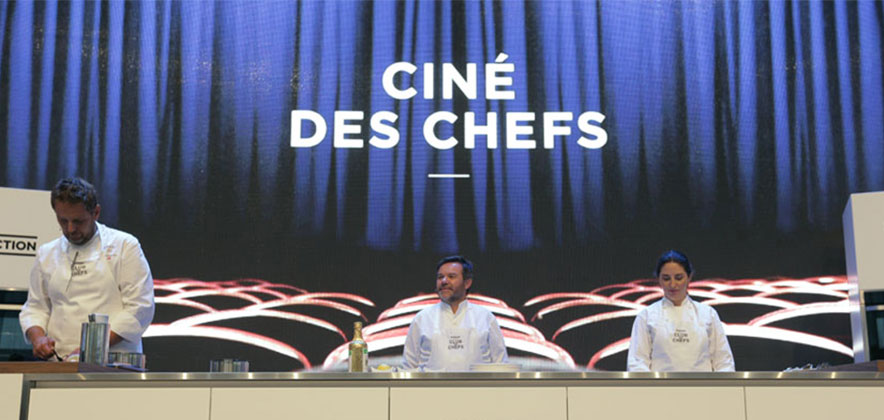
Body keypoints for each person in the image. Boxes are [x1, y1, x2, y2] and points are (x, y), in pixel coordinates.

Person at [19, 177, 155, 360]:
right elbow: (35, 308)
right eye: (63, 220)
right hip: (58, 362)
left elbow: (140, 308)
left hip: (112, 362)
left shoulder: (124, 246)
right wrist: (38, 339)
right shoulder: (47, 253)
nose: (70, 229)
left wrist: (92, 348)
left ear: (96, 212)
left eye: (78, 221)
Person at [626, 250, 735, 372]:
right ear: (659, 280)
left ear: (689, 277)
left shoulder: (708, 314)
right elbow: (637, 363)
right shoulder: (646, 316)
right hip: (661, 384)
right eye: (666, 278)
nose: (673, 284)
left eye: (678, 278)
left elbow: (724, 362)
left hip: (702, 384)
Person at [401, 255, 508, 371]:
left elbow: (501, 365)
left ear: (467, 283)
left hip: (476, 384)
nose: (444, 281)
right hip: (432, 383)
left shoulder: (485, 317)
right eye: (440, 277)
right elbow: (409, 367)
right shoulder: (422, 318)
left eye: (451, 276)